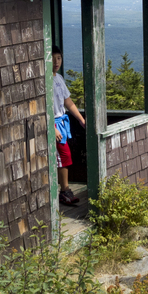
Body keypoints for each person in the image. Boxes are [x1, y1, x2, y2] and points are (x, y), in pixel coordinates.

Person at [52, 46, 88, 206]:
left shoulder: (59, 78)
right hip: (53, 124)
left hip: (61, 123)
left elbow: (68, 101)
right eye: (52, 59)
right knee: (63, 156)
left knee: (64, 156)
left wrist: (81, 119)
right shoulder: (44, 80)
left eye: (59, 58)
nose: (56, 62)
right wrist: (51, 128)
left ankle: (64, 191)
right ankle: (64, 191)